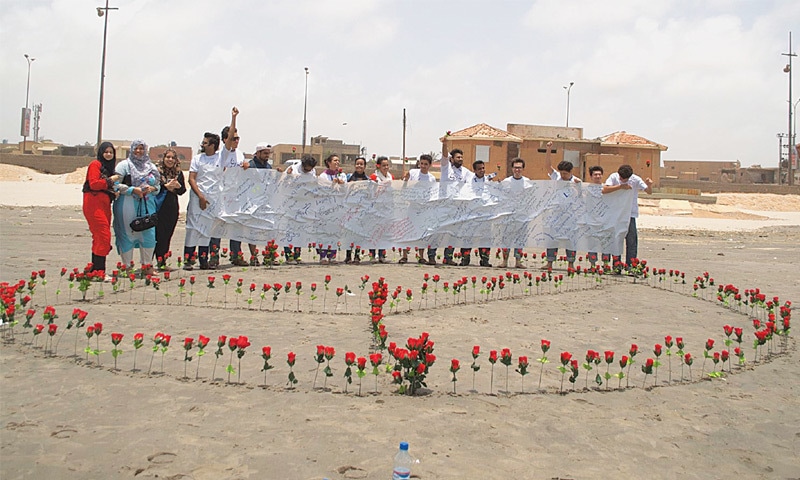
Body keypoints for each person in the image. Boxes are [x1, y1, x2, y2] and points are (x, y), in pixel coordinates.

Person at [113, 139, 161, 276]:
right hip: (126, 206)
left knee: (149, 235)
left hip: (147, 206)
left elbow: (158, 186)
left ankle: (147, 266)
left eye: (141, 148)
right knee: (127, 234)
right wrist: (132, 190)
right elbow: (114, 184)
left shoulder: (151, 167)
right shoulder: (123, 166)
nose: (139, 151)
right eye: (136, 148)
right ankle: (128, 267)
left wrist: (152, 188)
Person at [184, 132, 222, 270]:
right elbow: (191, 178)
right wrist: (200, 196)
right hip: (197, 198)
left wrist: (233, 118)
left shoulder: (220, 158)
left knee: (207, 230)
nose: (202, 144)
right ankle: (188, 260)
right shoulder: (197, 159)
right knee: (193, 228)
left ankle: (203, 260)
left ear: (212, 145)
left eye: (205, 143)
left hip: (212, 200)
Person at [215, 107, 248, 267]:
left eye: (237, 138)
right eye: (233, 138)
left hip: (236, 196)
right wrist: (234, 118)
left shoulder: (240, 154)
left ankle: (236, 255)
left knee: (237, 227)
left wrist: (246, 166)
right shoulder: (224, 153)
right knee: (218, 226)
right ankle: (213, 256)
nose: (236, 140)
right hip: (222, 195)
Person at [603, 164, 653, 266]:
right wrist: (620, 186)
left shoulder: (636, 179)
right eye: (621, 178)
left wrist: (649, 185)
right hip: (615, 214)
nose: (623, 180)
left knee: (631, 240)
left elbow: (649, 192)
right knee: (616, 239)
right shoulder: (613, 177)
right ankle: (616, 265)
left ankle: (630, 265)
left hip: (630, 214)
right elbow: (605, 190)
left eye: (625, 179)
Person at [241, 142, 282, 265]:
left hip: (266, 203)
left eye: (268, 153)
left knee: (270, 229)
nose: (267, 156)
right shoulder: (251, 166)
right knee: (253, 230)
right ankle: (254, 257)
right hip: (253, 203)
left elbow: (271, 183)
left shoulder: (268, 167)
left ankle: (269, 255)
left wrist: (278, 175)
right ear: (257, 153)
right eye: (264, 153)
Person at [82, 142, 119, 276]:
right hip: (93, 204)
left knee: (99, 237)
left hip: (104, 206)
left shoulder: (108, 169)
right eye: (106, 152)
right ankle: (99, 271)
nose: (108, 154)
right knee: (103, 236)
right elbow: (94, 184)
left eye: (111, 152)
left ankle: (95, 270)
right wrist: (110, 181)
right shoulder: (95, 165)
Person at [438, 147, 474, 265]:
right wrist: (445, 143)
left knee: (464, 233)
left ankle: (465, 259)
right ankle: (447, 257)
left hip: (462, 208)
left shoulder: (466, 172)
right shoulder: (446, 168)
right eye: (458, 157)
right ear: (451, 159)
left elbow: (477, 180)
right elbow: (444, 155)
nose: (460, 159)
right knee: (449, 233)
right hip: (448, 207)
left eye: (461, 157)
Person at [544, 153, 581, 270]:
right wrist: (549, 150)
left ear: (571, 172)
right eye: (561, 173)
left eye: (565, 173)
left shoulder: (576, 182)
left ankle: (571, 263)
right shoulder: (556, 177)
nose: (563, 175)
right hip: (556, 216)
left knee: (570, 240)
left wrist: (578, 186)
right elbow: (547, 165)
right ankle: (549, 262)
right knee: (552, 239)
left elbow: (582, 196)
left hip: (570, 217)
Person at [401, 154, 437, 264]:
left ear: (430, 165)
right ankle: (404, 256)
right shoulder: (412, 173)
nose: (423, 166)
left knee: (422, 232)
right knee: (407, 231)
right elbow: (404, 188)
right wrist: (406, 180)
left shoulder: (432, 178)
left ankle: (421, 256)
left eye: (426, 164)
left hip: (423, 209)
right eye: (422, 163)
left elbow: (433, 193)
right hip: (412, 206)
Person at [153, 148, 187, 269]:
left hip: (171, 209)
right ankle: (148, 263)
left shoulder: (178, 173)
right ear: (163, 158)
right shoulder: (156, 171)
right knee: (156, 235)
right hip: (158, 207)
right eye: (168, 157)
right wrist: (165, 187)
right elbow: (153, 187)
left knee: (167, 235)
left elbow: (182, 191)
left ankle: (162, 262)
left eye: (172, 157)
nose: (170, 160)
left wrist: (178, 186)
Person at [283, 155, 318, 264]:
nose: (308, 170)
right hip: (291, 204)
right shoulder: (292, 169)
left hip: (304, 205)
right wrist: (287, 176)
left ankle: (297, 255)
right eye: (306, 168)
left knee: (300, 230)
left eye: (310, 169)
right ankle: (289, 256)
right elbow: (283, 183)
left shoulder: (313, 171)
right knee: (289, 231)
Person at [318, 154, 347, 264]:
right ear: (329, 163)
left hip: (338, 208)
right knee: (324, 232)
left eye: (338, 161)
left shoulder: (342, 175)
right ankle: (323, 255)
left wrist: (342, 184)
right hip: (326, 208)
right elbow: (321, 190)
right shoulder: (323, 176)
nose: (337, 163)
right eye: (335, 160)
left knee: (335, 232)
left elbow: (346, 189)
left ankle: (332, 255)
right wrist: (331, 184)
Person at [500, 157, 529, 269]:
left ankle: (518, 261)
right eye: (515, 168)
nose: (517, 170)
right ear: (512, 168)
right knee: (506, 239)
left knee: (520, 240)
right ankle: (504, 261)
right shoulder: (506, 182)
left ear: (523, 169)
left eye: (520, 168)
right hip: (508, 215)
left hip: (522, 216)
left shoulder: (527, 182)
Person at [468, 160, 497, 267]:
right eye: (479, 169)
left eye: (483, 168)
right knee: (469, 236)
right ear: (474, 170)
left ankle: (485, 260)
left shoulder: (489, 181)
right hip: (472, 213)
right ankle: (465, 258)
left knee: (485, 238)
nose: (482, 171)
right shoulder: (469, 181)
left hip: (485, 214)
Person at [368, 156, 394, 263]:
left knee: (384, 232)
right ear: (378, 166)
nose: (386, 167)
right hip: (376, 208)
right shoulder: (374, 177)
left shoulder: (390, 177)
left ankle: (382, 255)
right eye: (383, 165)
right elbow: (370, 191)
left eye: (387, 165)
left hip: (387, 208)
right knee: (374, 232)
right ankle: (372, 255)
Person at [344, 156, 369, 264]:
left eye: (361, 164)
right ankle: (348, 256)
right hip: (350, 210)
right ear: (354, 165)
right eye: (357, 164)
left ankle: (357, 256)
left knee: (359, 235)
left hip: (362, 211)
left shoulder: (368, 180)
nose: (359, 166)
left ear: (365, 166)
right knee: (349, 234)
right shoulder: (349, 177)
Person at [585, 165, 610, 267]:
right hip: (591, 221)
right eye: (595, 174)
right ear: (591, 176)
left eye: (599, 174)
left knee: (606, 244)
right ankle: (593, 265)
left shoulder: (607, 188)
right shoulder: (586, 189)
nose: (598, 176)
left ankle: (605, 264)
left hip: (604, 221)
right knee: (592, 244)